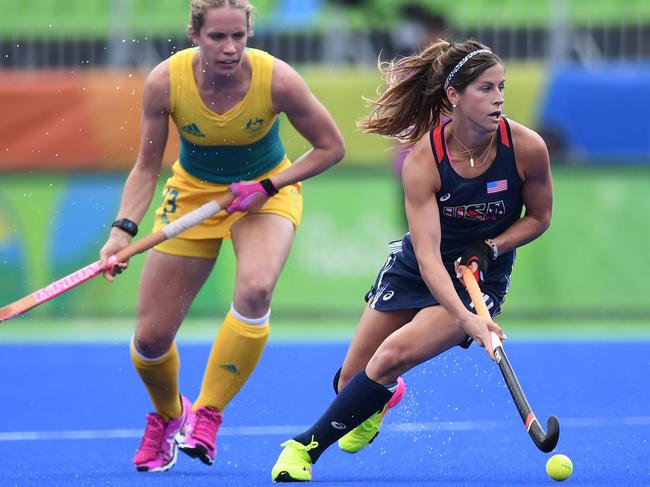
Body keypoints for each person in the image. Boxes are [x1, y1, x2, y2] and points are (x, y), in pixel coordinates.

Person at [271, 39, 553, 482]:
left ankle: (302, 449)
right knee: (352, 383)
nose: (498, 98)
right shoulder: (424, 159)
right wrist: (470, 322)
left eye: (502, 87)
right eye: (485, 88)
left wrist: (491, 248)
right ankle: (381, 397)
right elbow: (426, 258)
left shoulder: (527, 148)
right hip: (421, 267)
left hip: (481, 276)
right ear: (453, 96)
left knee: (388, 359)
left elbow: (539, 217)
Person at [99, 0, 345, 473]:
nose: (230, 48)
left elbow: (332, 147)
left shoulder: (277, 79)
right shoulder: (165, 83)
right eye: (218, 37)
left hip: (265, 194)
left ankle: (209, 413)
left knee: (255, 290)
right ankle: (171, 415)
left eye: (239, 36)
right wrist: (120, 232)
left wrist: (267, 186)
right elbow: (146, 167)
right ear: (195, 34)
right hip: (192, 196)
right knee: (150, 340)